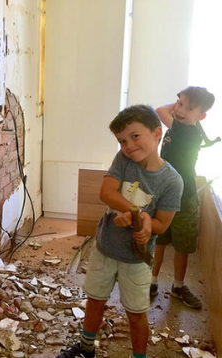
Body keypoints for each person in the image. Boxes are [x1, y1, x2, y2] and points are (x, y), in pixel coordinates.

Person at [56, 105, 183, 358]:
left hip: (137, 259)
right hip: (106, 248)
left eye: (135, 136)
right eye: (122, 140)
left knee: (136, 312)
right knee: (95, 301)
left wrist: (145, 225)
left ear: (157, 133)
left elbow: (162, 225)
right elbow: (106, 193)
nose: (128, 145)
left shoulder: (172, 181)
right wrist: (138, 213)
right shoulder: (123, 160)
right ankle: (86, 347)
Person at [150, 86, 215, 309]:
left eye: (189, 108)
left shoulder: (185, 131)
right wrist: (182, 104)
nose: (181, 110)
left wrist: (176, 104)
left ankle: (177, 286)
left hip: (184, 197)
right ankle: (152, 281)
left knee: (182, 244)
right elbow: (166, 111)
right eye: (180, 104)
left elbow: (160, 110)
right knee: (159, 239)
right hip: (164, 192)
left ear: (201, 116)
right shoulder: (182, 125)